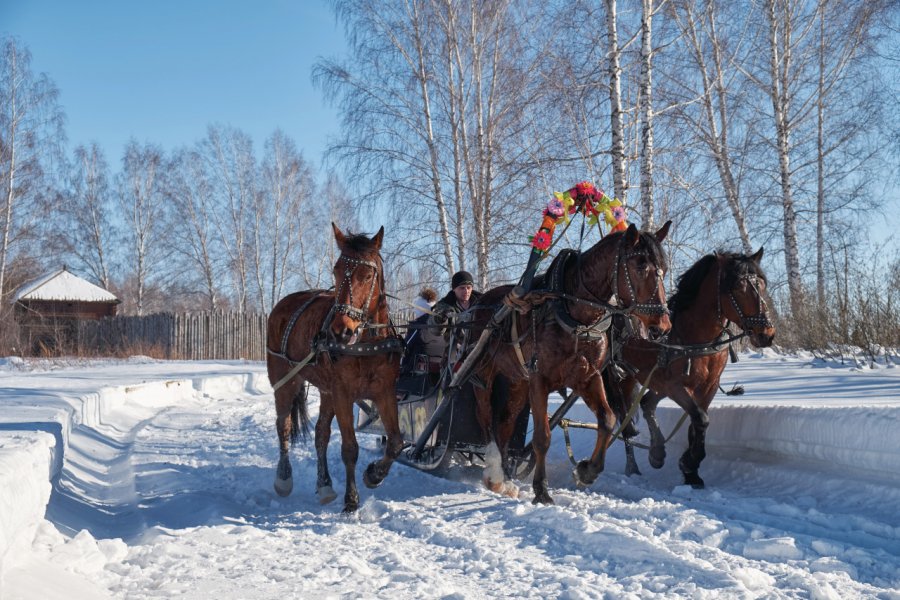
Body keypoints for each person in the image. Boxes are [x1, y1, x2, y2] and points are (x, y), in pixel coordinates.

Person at [420, 270, 483, 369]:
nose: (466, 291)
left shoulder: (483, 303)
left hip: (481, 351)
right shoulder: (444, 305)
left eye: (468, 288)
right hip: (455, 353)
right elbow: (435, 330)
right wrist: (439, 319)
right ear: (454, 289)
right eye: (462, 288)